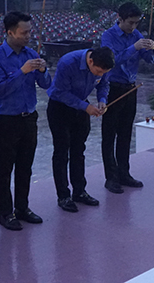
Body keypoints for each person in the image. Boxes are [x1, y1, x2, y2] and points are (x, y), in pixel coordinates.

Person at [0, 12, 51, 231]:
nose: (28, 36)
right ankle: (5, 212)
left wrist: (42, 69)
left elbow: (45, 84)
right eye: (24, 32)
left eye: (30, 31)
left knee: (25, 166)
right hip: (6, 119)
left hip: (28, 118)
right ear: (10, 32)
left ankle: (22, 207)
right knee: (4, 167)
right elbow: (0, 90)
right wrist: (21, 72)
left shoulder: (31, 53)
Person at [47, 47, 114, 212]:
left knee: (79, 150)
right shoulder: (68, 62)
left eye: (102, 72)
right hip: (60, 108)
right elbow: (60, 92)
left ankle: (80, 191)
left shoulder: (102, 65)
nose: (99, 75)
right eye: (97, 71)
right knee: (62, 152)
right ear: (90, 61)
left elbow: (104, 84)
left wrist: (102, 100)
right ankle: (63, 195)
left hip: (82, 107)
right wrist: (85, 107)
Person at [100, 2, 154, 193]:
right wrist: (134, 47)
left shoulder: (137, 35)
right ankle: (111, 177)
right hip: (112, 87)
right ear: (120, 19)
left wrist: (150, 49)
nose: (133, 27)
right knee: (109, 134)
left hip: (131, 89)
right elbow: (111, 61)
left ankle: (124, 173)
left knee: (125, 133)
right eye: (130, 23)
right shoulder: (109, 36)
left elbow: (148, 60)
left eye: (136, 23)